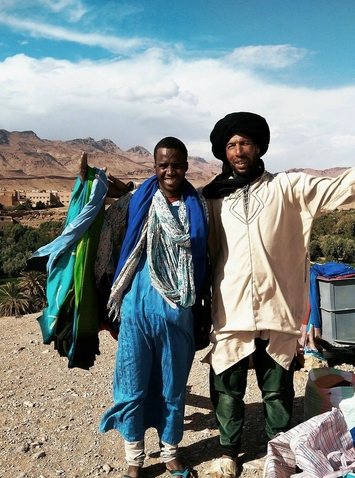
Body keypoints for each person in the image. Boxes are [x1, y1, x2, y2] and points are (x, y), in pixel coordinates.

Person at [200, 111, 355, 477]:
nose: (238, 151)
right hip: (231, 309)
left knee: (276, 388)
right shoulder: (210, 198)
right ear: (223, 152)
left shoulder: (286, 188)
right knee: (227, 386)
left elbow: (338, 188)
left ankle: (278, 452)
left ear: (258, 147)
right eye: (230, 145)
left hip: (279, 306)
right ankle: (229, 453)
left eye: (244, 143)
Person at [97, 137, 209, 478]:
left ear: (186, 165)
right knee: (131, 383)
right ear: (155, 167)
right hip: (136, 312)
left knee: (173, 385)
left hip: (178, 312)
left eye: (176, 164)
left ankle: (171, 450)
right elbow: (108, 242)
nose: (170, 171)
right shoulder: (137, 203)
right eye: (163, 165)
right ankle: (135, 458)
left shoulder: (199, 207)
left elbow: (209, 256)